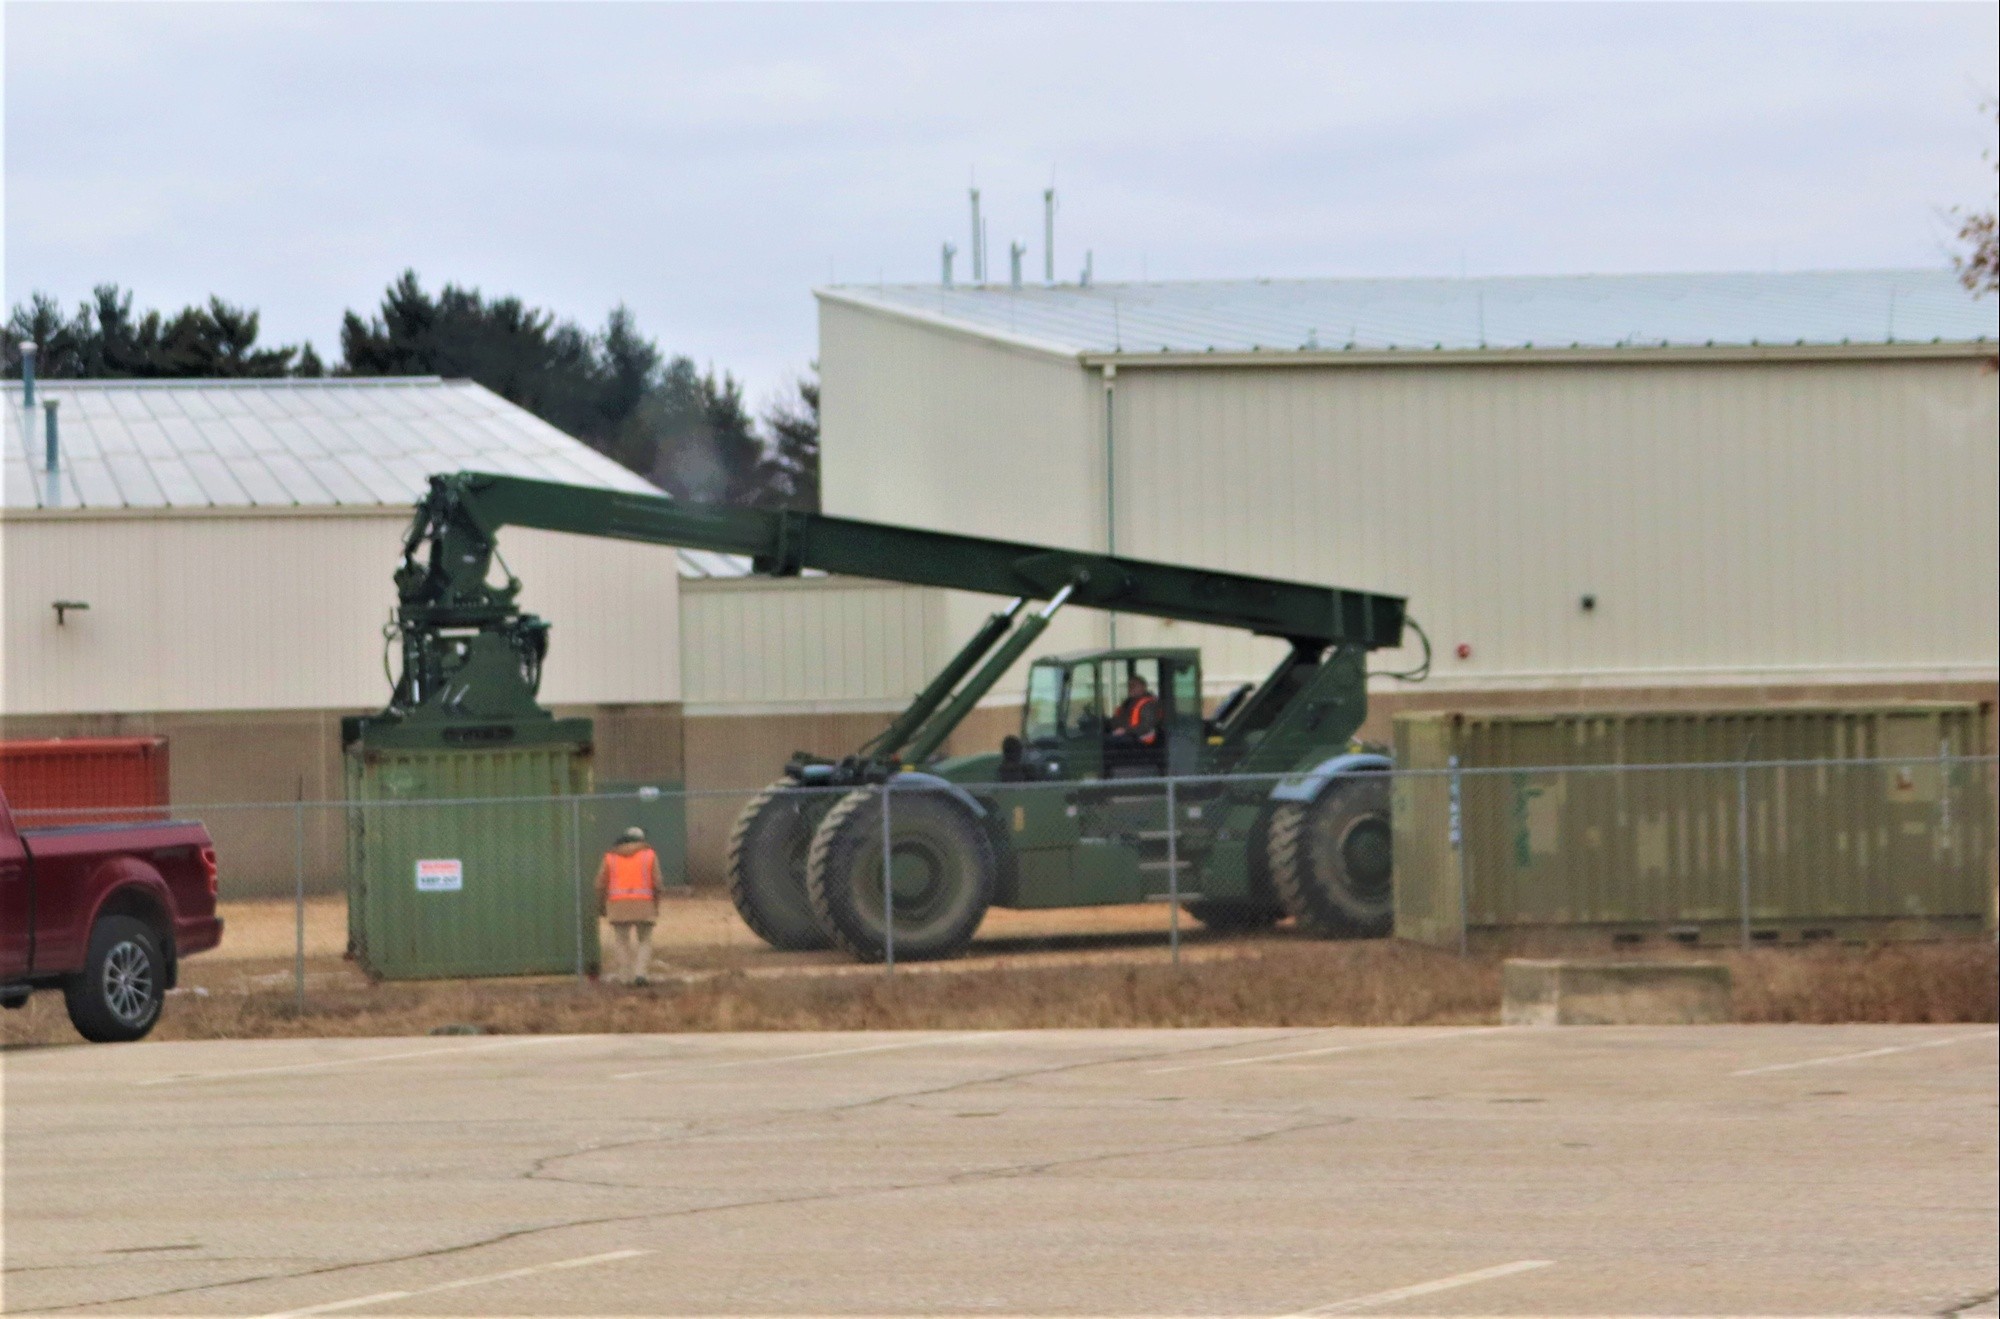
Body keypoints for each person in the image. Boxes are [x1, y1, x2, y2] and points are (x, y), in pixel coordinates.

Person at [596, 826, 664, 986]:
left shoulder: (610, 857)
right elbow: (658, 883)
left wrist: (601, 906)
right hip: (644, 904)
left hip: (617, 904)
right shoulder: (649, 855)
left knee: (621, 941)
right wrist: (656, 904)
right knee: (645, 940)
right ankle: (641, 975)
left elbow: (599, 884)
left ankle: (625, 977)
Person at [1106, 673, 1162, 769]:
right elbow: (1120, 719)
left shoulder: (1148, 704)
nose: (1130, 688)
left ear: (1143, 687)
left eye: (1134, 686)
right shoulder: (1129, 702)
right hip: (1130, 736)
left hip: (1143, 741)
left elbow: (1146, 726)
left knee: (1107, 744)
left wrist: (1125, 730)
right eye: (1129, 686)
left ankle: (1109, 774)